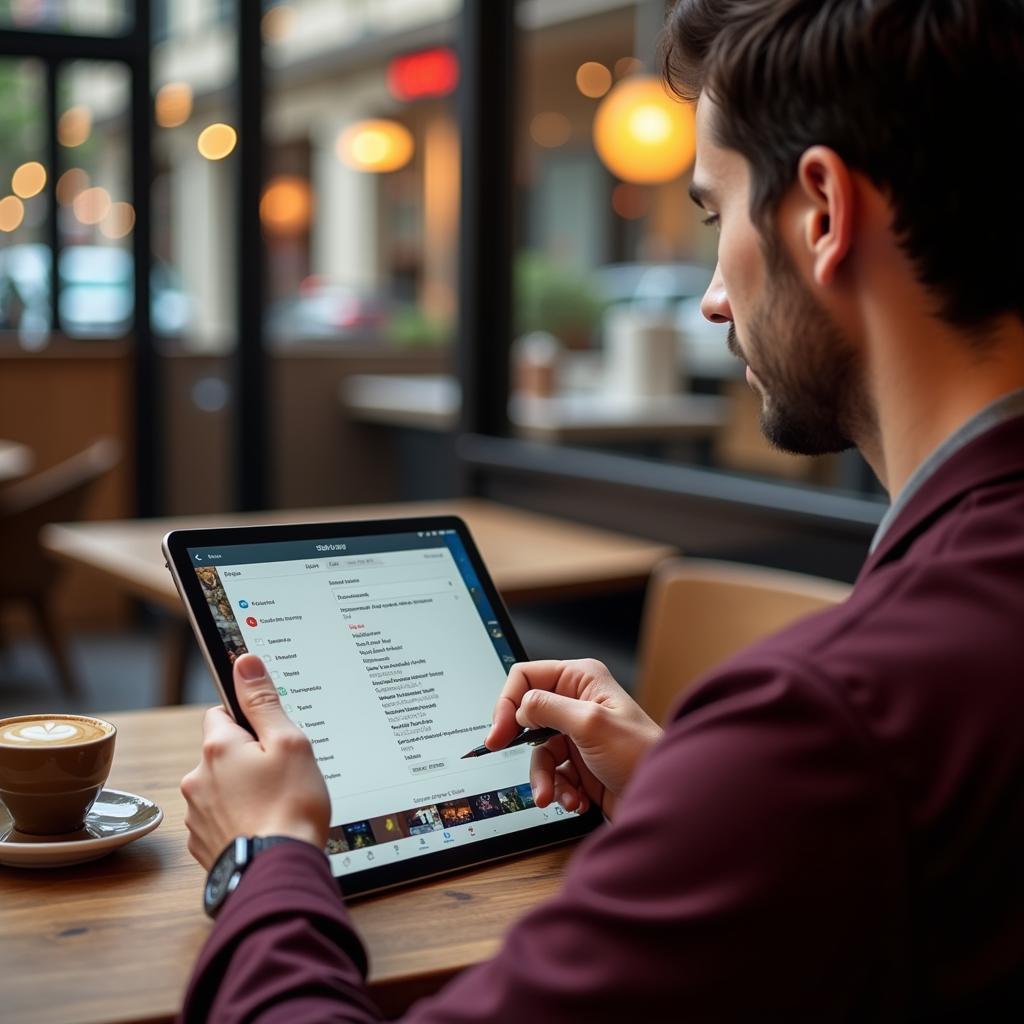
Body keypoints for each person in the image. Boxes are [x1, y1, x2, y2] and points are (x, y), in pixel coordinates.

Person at [178, 1, 1024, 1019]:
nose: (713, 299)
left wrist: (263, 859)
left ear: (821, 213)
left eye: (714, 216)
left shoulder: (832, 719)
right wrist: (698, 800)